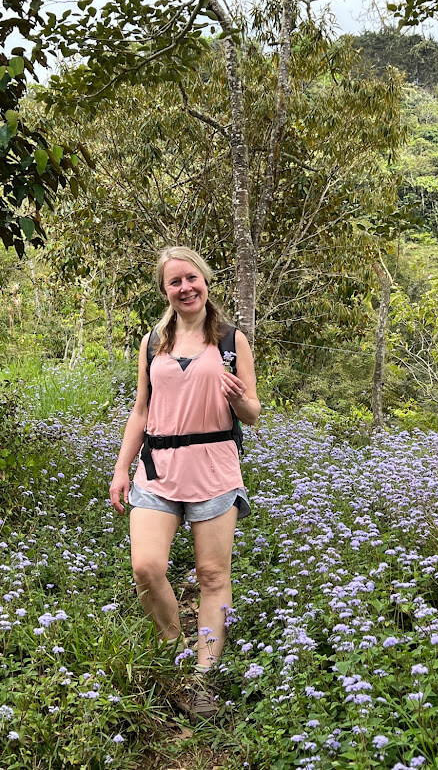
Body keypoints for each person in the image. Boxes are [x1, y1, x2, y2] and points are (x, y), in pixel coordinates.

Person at [109, 245, 260, 718]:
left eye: (191, 278)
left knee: (213, 576)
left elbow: (253, 414)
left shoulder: (233, 340)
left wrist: (238, 400)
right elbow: (141, 409)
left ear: (206, 281)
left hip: (214, 470)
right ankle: (174, 649)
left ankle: (204, 677)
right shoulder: (154, 340)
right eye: (174, 282)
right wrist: (121, 467)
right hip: (157, 470)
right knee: (146, 567)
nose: (185, 288)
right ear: (165, 291)